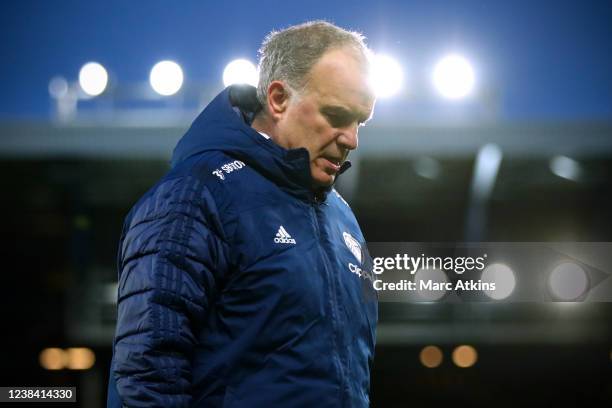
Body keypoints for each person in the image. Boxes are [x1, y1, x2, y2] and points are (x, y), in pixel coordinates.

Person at [107, 20, 378, 408]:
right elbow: (146, 375)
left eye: (360, 121)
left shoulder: (343, 219)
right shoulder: (196, 196)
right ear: (279, 99)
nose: (352, 139)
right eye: (336, 116)